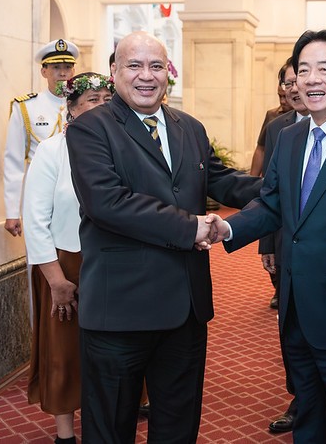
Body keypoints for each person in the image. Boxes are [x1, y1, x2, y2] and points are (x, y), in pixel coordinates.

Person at [65, 31, 261, 443]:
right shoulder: (90, 128)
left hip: (185, 311)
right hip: (120, 311)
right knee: (109, 430)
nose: (146, 76)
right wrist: (190, 227)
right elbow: (107, 202)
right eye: (134, 65)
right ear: (114, 71)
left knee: (178, 427)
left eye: (156, 66)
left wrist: (293, 184)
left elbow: (221, 180)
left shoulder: (189, 127)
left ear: (167, 73)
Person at [210, 29, 326, 443]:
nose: (311, 79)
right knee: (309, 419)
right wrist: (228, 227)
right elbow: (272, 205)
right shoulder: (289, 138)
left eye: (324, 69)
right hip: (295, 312)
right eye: (303, 70)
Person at [22, 71, 113, 444]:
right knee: (64, 350)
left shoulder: (124, 146)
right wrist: (56, 280)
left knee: (115, 350)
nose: (103, 105)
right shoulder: (52, 150)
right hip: (66, 265)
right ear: (71, 108)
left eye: (108, 98)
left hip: (113, 265)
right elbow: (34, 220)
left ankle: (109, 423)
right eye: (93, 99)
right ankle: (65, 434)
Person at [257, 57, 310, 434]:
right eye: (288, 83)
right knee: (290, 328)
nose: (294, 88)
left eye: (300, 79)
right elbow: (268, 192)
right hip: (284, 243)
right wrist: (266, 244)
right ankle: (300, 397)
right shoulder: (278, 128)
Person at [4, 39, 79, 238]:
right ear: (43, 72)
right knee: (39, 248)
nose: (62, 73)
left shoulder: (84, 105)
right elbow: (13, 162)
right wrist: (12, 212)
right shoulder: (26, 107)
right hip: (38, 192)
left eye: (68, 67)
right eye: (56, 67)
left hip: (76, 193)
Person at [250, 69, 294, 176]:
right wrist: (252, 180)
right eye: (279, 96)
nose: (282, 101)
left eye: (285, 96)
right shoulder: (271, 115)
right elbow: (261, 149)